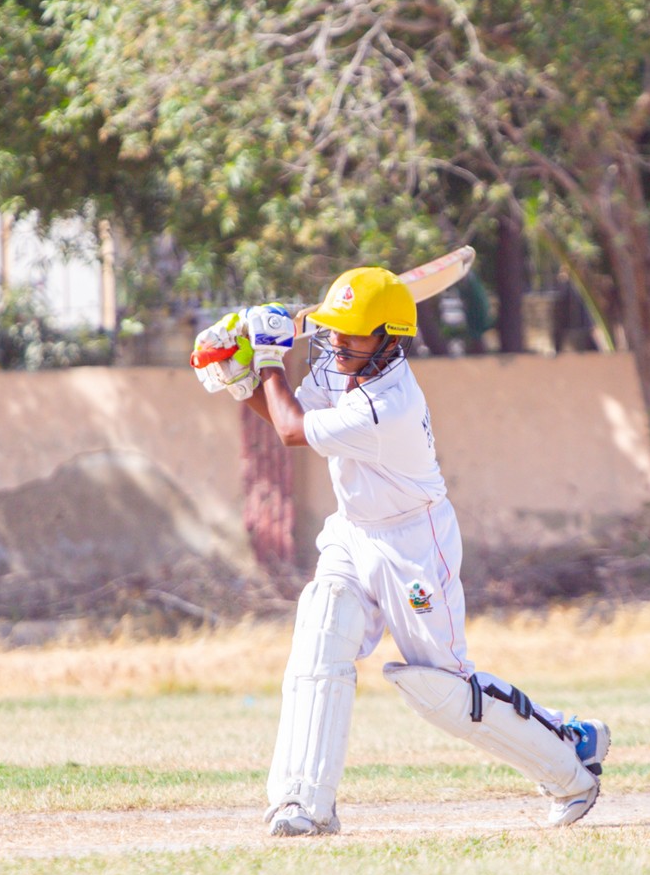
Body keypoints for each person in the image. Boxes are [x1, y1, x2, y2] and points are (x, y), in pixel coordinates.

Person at [192, 267, 609, 836]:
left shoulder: (388, 407)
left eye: (353, 333)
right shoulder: (344, 365)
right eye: (334, 330)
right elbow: (295, 416)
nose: (338, 342)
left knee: (443, 692)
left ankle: (570, 757)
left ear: (390, 339)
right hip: (353, 530)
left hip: (413, 544)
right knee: (321, 630)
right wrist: (242, 376)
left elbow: (291, 431)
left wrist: (264, 356)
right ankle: (302, 804)